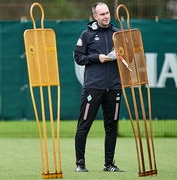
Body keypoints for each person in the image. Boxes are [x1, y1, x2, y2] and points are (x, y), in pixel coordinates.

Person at [73, 2, 124, 172]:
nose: (106, 16)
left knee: (111, 127)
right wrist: (97, 58)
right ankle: (80, 164)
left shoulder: (118, 33)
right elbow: (78, 57)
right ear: (95, 16)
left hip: (114, 87)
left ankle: (109, 164)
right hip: (93, 88)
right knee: (84, 125)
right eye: (102, 14)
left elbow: (128, 57)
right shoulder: (86, 34)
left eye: (107, 13)